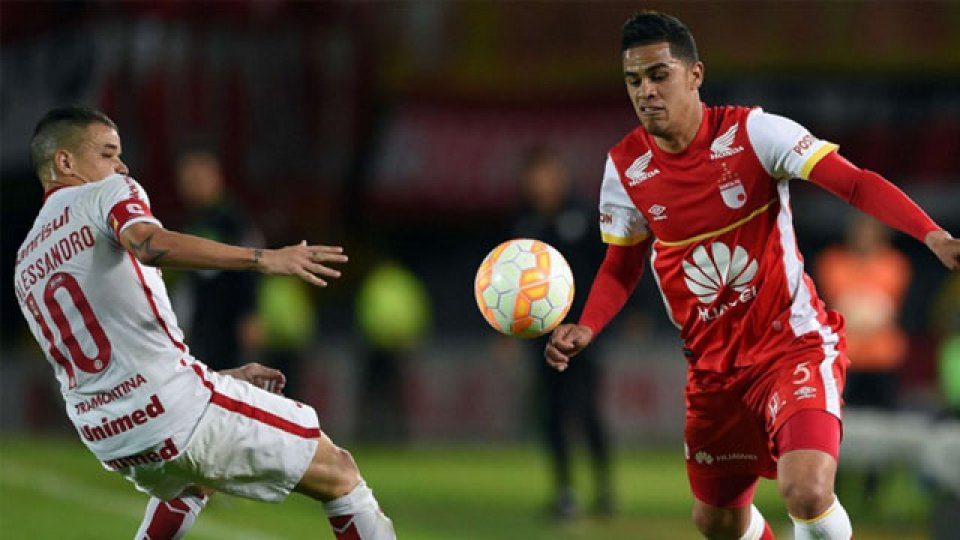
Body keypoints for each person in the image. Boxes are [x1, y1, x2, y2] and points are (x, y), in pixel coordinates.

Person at [544, 12, 960, 540]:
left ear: (695, 75)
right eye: (634, 81)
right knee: (718, 523)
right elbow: (622, 265)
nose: (646, 91)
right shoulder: (625, 169)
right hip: (714, 372)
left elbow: (853, 183)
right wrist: (588, 325)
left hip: (792, 347)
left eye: (659, 75)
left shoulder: (754, 133)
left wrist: (932, 235)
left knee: (807, 491)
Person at [14, 106, 396, 540]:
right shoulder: (106, 193)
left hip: (108, 434)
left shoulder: (26, 261)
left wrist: (217, 378)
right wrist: (261, 258)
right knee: (340, 473)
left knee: (189, 486)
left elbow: (112, 357)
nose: (120, 166)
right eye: (107, 153)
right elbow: (148, 243)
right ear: (65, 162)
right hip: (172, 411)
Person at [512, 146, 613, 519]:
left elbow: (611, 267)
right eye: (533, 177)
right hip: (541, 337)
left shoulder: (585, 216)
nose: (540, 184)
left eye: (546, 175)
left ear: (560, 176)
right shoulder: (524, 223)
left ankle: (603, 489)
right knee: (551, 414)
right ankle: (565, 492)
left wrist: (625, 314)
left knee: (585, 411)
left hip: (585, 333)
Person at [173, 144, 264, 372]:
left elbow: (251, 265)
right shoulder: (195, 222)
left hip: (230, 321)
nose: (192, 185)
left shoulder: (231, 219)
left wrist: (249, 312)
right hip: (205, 321)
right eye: (187, 179)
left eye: (198, 177)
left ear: (217, 177)